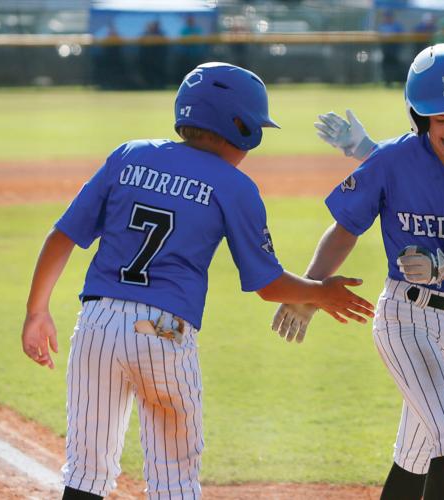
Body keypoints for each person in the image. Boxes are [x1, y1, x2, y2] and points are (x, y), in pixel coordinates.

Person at [20, 62, 374, 499]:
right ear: (241, 127)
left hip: (97, 325)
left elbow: (63, 236)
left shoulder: (129, 155)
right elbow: (267, 284)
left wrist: (37, 311)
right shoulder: (234, 184)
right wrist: (319, 293)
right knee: (173, 481)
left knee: (86, 474)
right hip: (165, 332)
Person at [272, 43, 444, 499]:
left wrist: (441, 265)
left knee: (416, 449)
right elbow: (345, 229)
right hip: (405, 318)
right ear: (418, 116)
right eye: (441, 119)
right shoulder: (389, 161)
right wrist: (309, 292)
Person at [378, 10, 406, 86]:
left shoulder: (397, 26)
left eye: (388, 17)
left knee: (396, 66)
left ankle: (401, 82)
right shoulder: (382, 26)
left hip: (394, 49)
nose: (386, 18)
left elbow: (402, 36)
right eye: (385, 17)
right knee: (386, 66)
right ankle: (387, 82)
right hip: (385, 49)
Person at [138, 20, 169, 89]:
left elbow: (165, 48)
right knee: (148, 73)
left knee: (159, 72)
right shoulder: (145, 34)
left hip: (159, 59)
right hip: (147, 59)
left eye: (154, 26)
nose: (153, 27)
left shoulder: (161, 34)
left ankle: (160, 85)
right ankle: (148, 85)